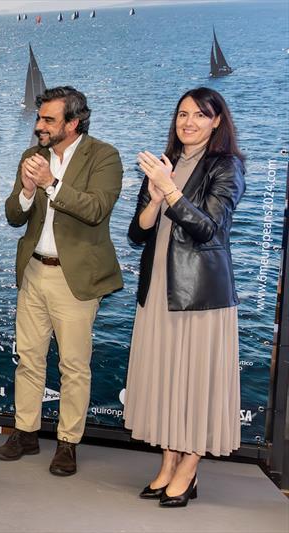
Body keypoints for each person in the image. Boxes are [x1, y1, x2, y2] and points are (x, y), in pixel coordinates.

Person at [124, 87, 245, 507]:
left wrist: (170, 193)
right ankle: (167, 460)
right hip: (158, 289)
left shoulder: (226, 166)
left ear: (216, 121)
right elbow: (137, 233)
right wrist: (156, 197)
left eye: (198, 115)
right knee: (165, 378)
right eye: (181, 114)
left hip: (199, 295)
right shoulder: (164, 165)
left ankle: (189, 468)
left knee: (194, 382)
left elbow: (210, 228)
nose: (188, 122)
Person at [0, 86, 123, 476]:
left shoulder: (104, 156)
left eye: (49, 120)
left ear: (74, 122)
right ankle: (26, 432)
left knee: (73, 365)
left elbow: (96, 209)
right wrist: (29, 191)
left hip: (74, 278)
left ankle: (68, 442)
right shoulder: (30, 157)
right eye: (39, 119)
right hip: (34, 270)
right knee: (29, 359)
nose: (39, 127)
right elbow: (15, 216)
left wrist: (51, 183)